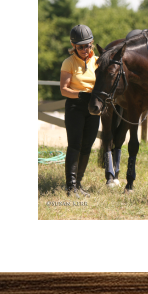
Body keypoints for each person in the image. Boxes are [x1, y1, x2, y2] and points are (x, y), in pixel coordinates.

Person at [60, 24, 100, 197]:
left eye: (88, 45)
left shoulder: (97, 62)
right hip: (75, 107)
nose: (85, 49)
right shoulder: (68, 63)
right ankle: (70, 187)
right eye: (81, 46)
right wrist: (80, 95)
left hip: (93, 108)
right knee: (75, 145)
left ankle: (79, 184)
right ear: (74, 46)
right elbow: (63, 89)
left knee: (87, 146)